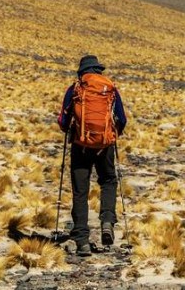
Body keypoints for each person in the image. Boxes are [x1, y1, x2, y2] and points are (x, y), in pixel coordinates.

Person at [58, 55, 127, 256]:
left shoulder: (75, 89)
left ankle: (82, 240)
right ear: (98, 70)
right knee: (108, 180)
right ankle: (107, 221)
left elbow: (63, 120)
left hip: (81, 146)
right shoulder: (109, 89)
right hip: (104, 145)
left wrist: (71, 130)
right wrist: (112, 135)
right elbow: (122, 119)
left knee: (81, 191)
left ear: (82, 71)